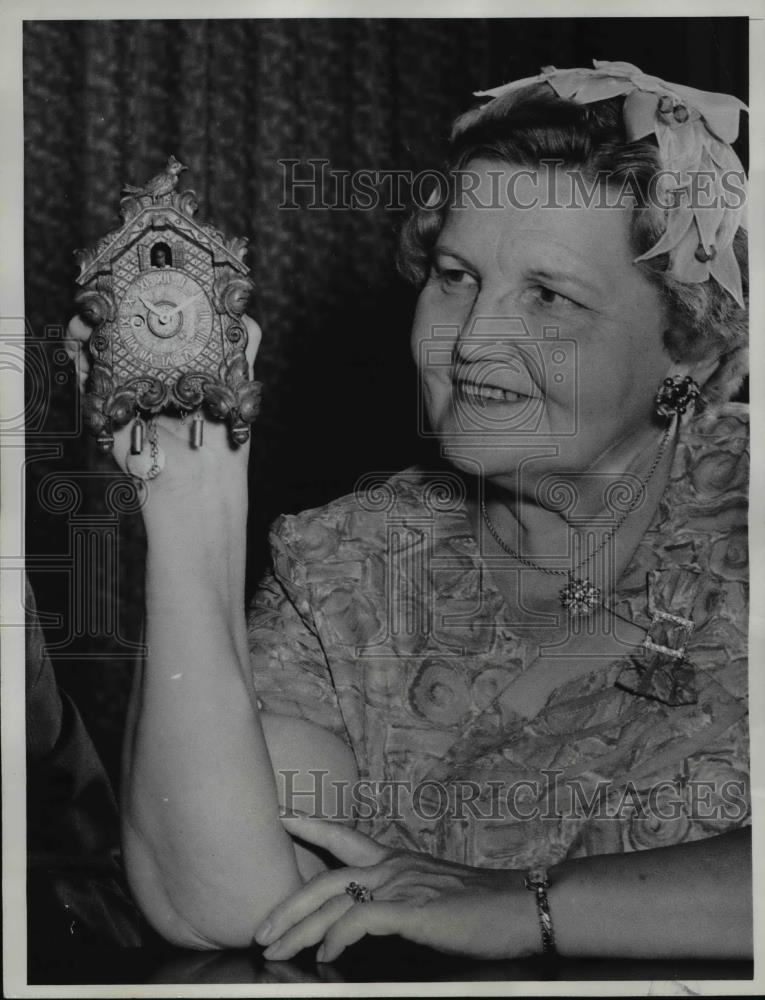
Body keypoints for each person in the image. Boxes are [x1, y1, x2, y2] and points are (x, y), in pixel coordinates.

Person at [65, 60, 751, 962]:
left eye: (548, 296)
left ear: (690, 348)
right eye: (456, 276)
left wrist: (529, 907)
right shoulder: (351, 561)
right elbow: (220, 906)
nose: (470, 342)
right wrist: (191, 502)